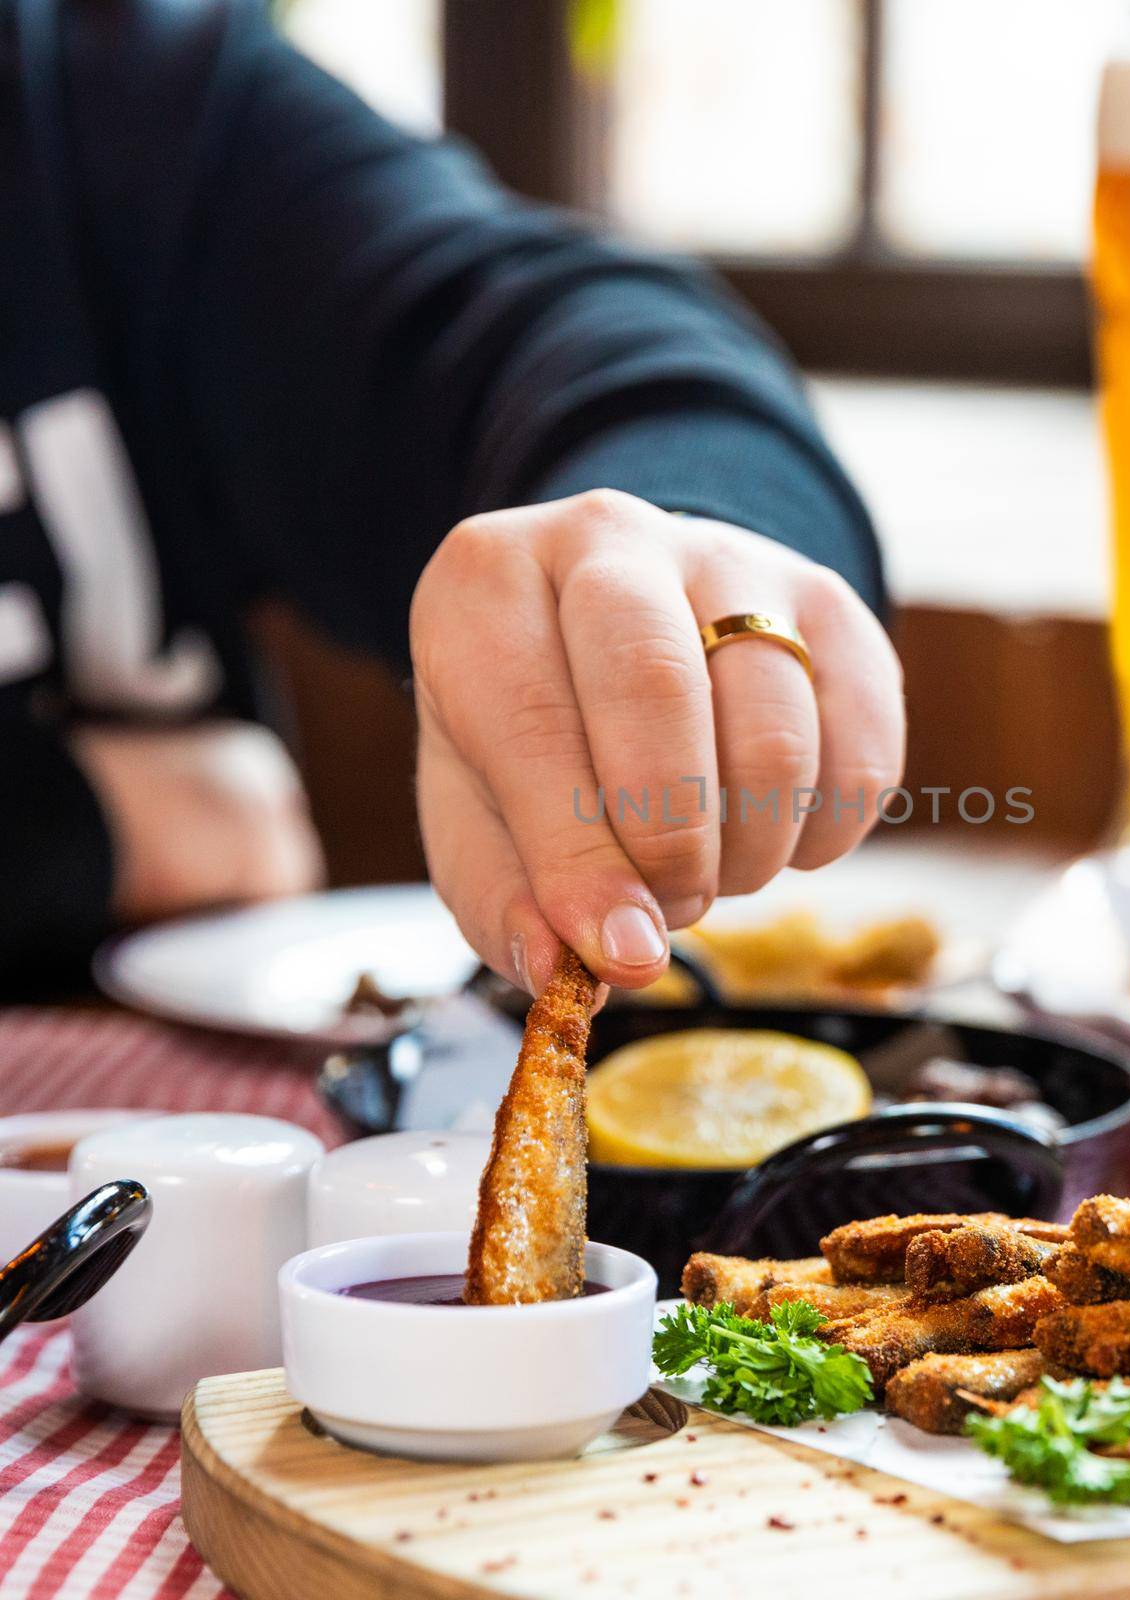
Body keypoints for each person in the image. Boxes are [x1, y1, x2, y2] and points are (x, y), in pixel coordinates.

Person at [0, 0, 903, 997]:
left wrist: (681, 534)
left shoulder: (111, 99)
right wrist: (88, 824)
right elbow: (176, 834)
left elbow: (543, 323)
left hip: (166, 1137)